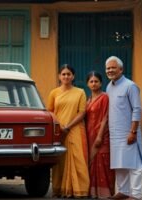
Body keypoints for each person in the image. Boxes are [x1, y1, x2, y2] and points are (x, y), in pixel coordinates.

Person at [105, 56, 142, 200]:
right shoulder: (109, 86)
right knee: (119, 164)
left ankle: (136, 195)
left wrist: (133, 131)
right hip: (114, 134)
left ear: (121, 69)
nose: (110, 70)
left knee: (134, 165)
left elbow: (137, 109)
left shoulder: (130, 86)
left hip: (129, 133)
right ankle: (123, 191)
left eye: (113, 67)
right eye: (108, 68)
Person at [47, 64, 89, 198]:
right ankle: (60, 189)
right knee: (60, 160)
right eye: (63, 74)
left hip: (75, 129)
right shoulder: (54, 92)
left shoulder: (80, 92)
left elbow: (82, 112)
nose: (66, 76)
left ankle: (79, 190)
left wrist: (68, 126)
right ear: (59, 76)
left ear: (73, 76)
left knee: (78, 159)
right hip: (58, 130)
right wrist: (59, 127)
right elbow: (50, 112)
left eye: (68, 74)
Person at [85, 71, 115, 199]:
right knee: (91, 163)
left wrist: (99, 136)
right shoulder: (88, 99)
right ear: (87, 84)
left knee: (103, 161)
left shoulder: (105, 97)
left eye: (96, 81)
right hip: (89, 134)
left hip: (102, 135)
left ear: (101, 83)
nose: (93, 84)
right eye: (91, 81)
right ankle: (93, 192)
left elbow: (105, 117)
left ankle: (106, 193)